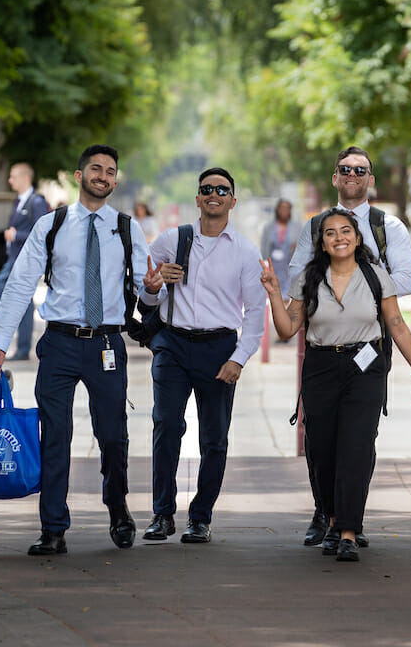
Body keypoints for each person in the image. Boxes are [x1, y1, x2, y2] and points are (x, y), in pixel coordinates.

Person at [0, 144, 156, 556]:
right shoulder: (52, 224)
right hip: (58, 343)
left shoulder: (128, 228)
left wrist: (151, 291)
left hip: (108, 344)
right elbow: (21, 283)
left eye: (111, 171)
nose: (104, 176)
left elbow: (146, 294)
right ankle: (53, 527)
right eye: (96, 169)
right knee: (55, 435)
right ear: (79, 176)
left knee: (113, 435)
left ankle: (117, 506)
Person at [261, 209, 411, 562]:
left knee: (355, 446)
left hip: (364, 367)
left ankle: (349, 531)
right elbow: (287, 329)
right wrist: (275, 293)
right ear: (321, 242)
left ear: (357, 237)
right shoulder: (309, 278)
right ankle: (334, 521)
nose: (339, 237)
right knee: (321, 450)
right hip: (321, 366)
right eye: (330, 233)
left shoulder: (375, 276)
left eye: (346, 231)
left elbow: (397, 325)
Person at [287, 146, 411, 548]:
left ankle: (348, 521)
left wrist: (362, 272)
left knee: (359, 439)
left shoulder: (387, 227)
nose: (352, 174)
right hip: (324, 345)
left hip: (371, 342)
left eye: (360, 170)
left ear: (370, 179)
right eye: (345, 169)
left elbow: (407, 279)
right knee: (321, 439)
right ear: (335, 177)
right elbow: (297, 277)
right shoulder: (315, 227)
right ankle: (323, 511)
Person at [139, 169, 266, 544]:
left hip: (218, 349)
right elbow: (146, 297)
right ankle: (162, 514)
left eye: (222, 190)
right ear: (197, 198)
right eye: (207, 189)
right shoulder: (171, 241)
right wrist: (153, 287)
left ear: (232, 200)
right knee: (166, 426)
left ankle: (201, 517)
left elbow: (256, 314)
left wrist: (239, 358)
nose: (214, 195)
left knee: (214, 439)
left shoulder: (244, 250)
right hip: (172, 344)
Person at [0, 163, 50, 361]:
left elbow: (44, 232)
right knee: (4, 300)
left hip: (23, 262)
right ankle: (5, 346)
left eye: (13, 177)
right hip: (13, 259)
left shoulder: (36, 202)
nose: (10, 181)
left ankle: (23, 348)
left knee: (22, 303)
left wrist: (17, 235)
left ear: (25, 178)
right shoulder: (19, 201)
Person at [260, 199, 300, 302]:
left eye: (287, 208)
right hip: (273, 266)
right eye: (282, 208)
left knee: (287, 296)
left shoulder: (296, 227)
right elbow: (264, 247)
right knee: (273, 293)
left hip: (288, 267)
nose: (284, 211)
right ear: (277, 210)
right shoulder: (269, 227)